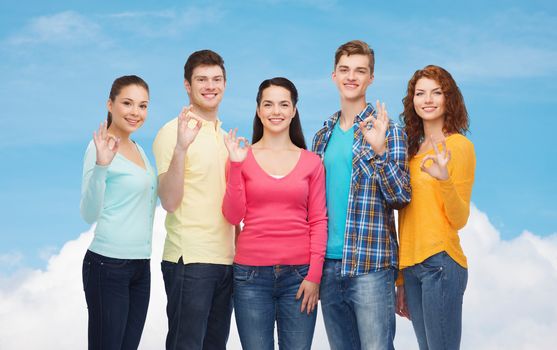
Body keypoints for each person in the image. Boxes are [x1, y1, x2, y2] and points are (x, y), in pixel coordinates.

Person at [312, 40, 411, 350]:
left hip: (371, 264)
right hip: (328, 266)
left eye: (360, 71)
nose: (351, 77)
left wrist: (380, 150)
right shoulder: (322, 135)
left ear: (371, 78)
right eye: (344, 70)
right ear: (333, 76)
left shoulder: (389, 130)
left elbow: (400, 196)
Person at [222, 77, 327, 350]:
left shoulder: (312, 162)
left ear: (294, 111)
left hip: (300, 277)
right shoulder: (241, 157)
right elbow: (234, 216)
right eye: (268, 104)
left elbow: (318, 220)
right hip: (250, 277)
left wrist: (315, 275)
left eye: (283, 104)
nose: (276, 111)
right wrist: (234, 166)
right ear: (258, 110)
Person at [152, 50, 234, 350]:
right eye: (201, 80)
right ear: (187, 85)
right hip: (190, 260)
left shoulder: (226, 138)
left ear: (225, 84)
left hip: (226, 261)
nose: (210, 86)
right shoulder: (171, 132)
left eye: (216, 79)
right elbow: (169, 201)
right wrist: (181, 149)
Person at [396, 65, 476, 350]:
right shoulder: (410, 152)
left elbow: (459, 218)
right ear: (412, 100)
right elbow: (404, 218)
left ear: (448, 99)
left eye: (436, 92)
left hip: (441, 264)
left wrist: (444, 180)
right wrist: (401, 278)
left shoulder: (459, 147)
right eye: (420, 93)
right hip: (413, 268)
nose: (427, 99)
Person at [80, 75, 157, 350]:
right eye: (127, 103)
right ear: (110, 104)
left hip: (140, 266)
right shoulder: (98, 146)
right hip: (107, 265)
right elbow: (88, 213)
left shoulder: (139, 149)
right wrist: (101, 166)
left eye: (143, 106)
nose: (136, 112)